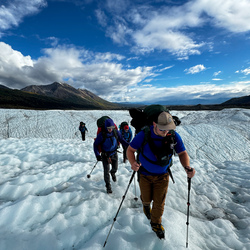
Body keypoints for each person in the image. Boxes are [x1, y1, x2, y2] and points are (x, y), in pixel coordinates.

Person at [126, 111, 195, 239]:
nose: (165, 133)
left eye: (168, 130)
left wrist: (187, 167)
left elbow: (182, 153)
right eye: (162, 129)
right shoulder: (143, 135)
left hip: (163, 176)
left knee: (159, 203)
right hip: (145, 175)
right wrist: (133, 162)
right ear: (154, 124)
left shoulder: (173, 136)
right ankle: (146, 205)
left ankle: (156, 224)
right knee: (146, 198)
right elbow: (130, 150)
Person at [93, 118, 129, 194]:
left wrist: (130, 146)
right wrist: (97, 155)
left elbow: (122, 140)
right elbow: (95, 145)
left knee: (115, 168)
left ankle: (113, 173)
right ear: (106, 127)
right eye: (108, 128)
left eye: (112, 128)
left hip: (114, 153)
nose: (110, 130)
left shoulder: (116, 132)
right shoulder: (102, 135)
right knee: (106, 171)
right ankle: (108, 186)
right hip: (105, 155)